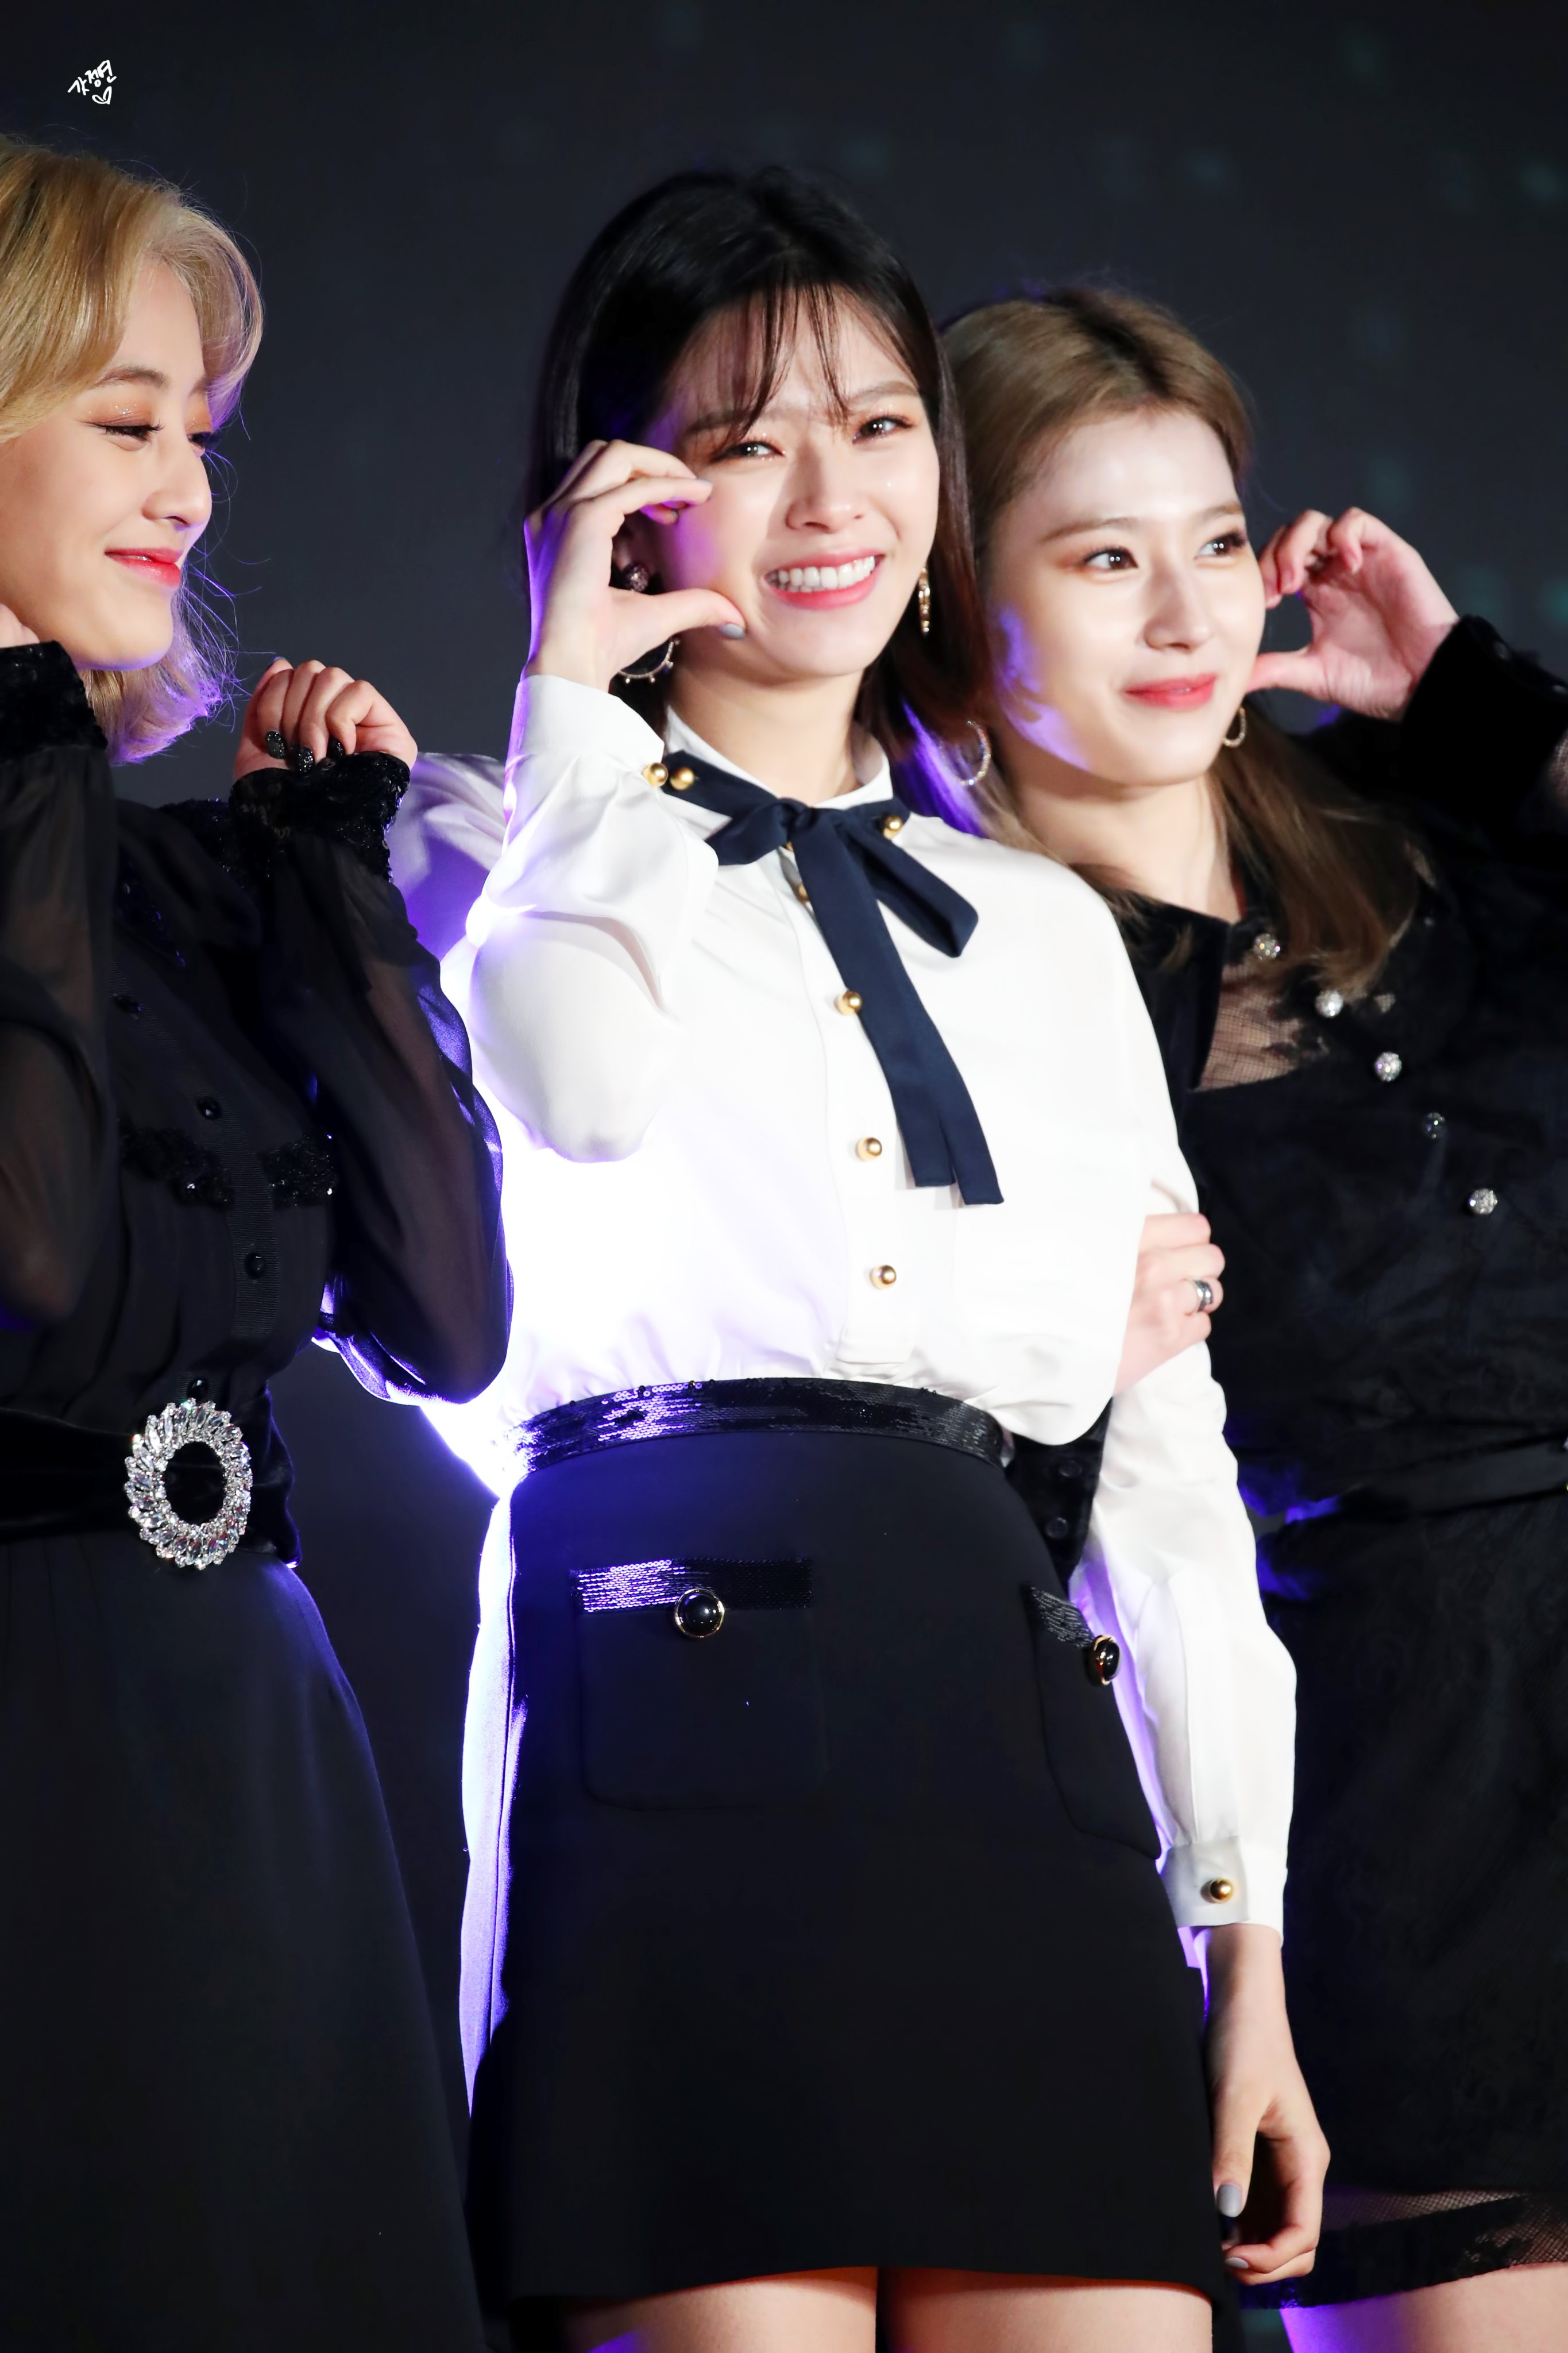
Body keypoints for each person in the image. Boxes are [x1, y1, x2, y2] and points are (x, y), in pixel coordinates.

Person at [408, 167, 1326, 2353]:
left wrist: (1240, 1942)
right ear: (619, 496)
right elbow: (580, 1098)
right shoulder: (482, 837)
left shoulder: (1035, 925)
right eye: (746, 441)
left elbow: (1163, 1474)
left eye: (883, 424)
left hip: (1008, 1732)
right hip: (670, 1714)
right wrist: (573, 694)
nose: (832, 498)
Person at [942, 285, 1568, 2353]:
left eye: (1215, 539)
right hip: (1406, 1805)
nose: (1185, 609)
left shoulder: (1443, 822)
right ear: (959, 602)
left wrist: (1469, 698)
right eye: (1099, 556)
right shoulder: (982, 999)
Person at [0, 136, 508, 2351]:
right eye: (127, 424)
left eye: (198, 437)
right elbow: (28, 1257)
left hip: (250, 1729)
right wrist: (22, 721)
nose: (189, 494)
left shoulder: (196, 880)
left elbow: (449, 1325)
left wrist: (329, 893)